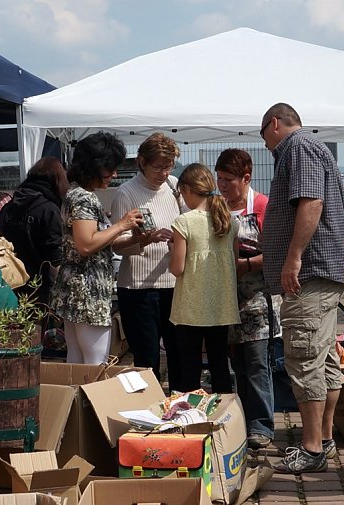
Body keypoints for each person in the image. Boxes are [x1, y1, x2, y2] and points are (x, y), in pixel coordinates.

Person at [259, 103, 344, 474]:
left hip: (309, 273)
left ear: (274, 124)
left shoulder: (298, 147)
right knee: (322, 356)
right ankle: (323, 439)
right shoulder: (309, 148)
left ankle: (312, 448)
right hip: (318, 272)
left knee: (304, 355)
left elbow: (311, 202)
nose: (265, 145)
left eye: (264, 137)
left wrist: (293, 257)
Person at [51, 132, 145, 365]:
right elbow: (86, 244)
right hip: (88, 291)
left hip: (76, 288)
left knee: (76, 360)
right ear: (94, 166)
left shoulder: (75, 192)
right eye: (110, 169)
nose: (114, 175)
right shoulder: (84, 198)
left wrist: (133, 237)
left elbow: (95, 242)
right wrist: (121, 224)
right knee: (95, 362)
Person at [215, 148, 281, 450]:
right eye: (219, 179)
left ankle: (262, 425)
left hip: (258, 299)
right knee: (238, 365)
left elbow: (278, 252)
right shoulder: (217, 206)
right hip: (227, 299)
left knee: (257, 363)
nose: (222, 185)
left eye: (228, 180)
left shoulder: (263, 206)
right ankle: (241, 422)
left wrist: (248, 264)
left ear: (246, 178)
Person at [111, 133, 183, 391]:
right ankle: (150, 406)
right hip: (138, 288)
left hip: (173, 283)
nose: (164, 173)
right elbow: (116, 244)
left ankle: (179, 405)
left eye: (168, 166)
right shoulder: (126, 193)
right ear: (142, 162)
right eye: (158, 167)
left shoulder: (175, 187)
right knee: (147, 358)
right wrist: (143, 240)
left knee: (179, 353)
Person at [169, 163, 240, 394]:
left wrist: (172, 249)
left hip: (191, 307)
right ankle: (225, 412)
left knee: (190, 368)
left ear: (188, 189)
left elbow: (177, 268)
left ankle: (190, 413)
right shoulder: (229, 220)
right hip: (220, 307)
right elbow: (234, 262)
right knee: (220, 365)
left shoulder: (184, 221)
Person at [0, 157, 67, 306]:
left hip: (10, 281)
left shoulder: (9, 207)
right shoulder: (49, 209)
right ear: (58, 181)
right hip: (39, 286)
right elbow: (54, 256)